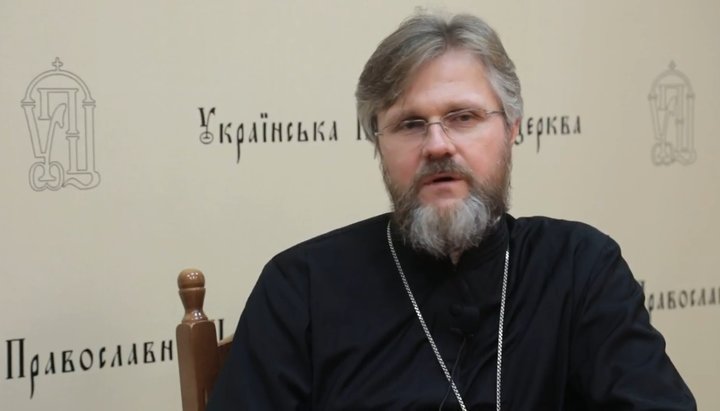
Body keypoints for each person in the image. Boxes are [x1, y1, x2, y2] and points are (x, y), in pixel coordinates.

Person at [207, 12, 696, 410]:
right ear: (378, 143)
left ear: (512, 129)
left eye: (463, 117)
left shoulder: (580, 268)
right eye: (410, 124)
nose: (438, 144)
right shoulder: (301, 290)